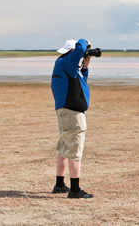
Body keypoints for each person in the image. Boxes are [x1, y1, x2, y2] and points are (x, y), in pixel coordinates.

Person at [50, 38, 93, 199]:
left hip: (66, 112)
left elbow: (80, 83)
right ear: (73, 52)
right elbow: (80, 47)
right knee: (75, 150)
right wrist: (85, 42)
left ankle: (60, 184)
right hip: (72, 114)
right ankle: (75, 190)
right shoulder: (66, 62)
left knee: (64, 148)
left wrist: (85, 66)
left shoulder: (64, 65)